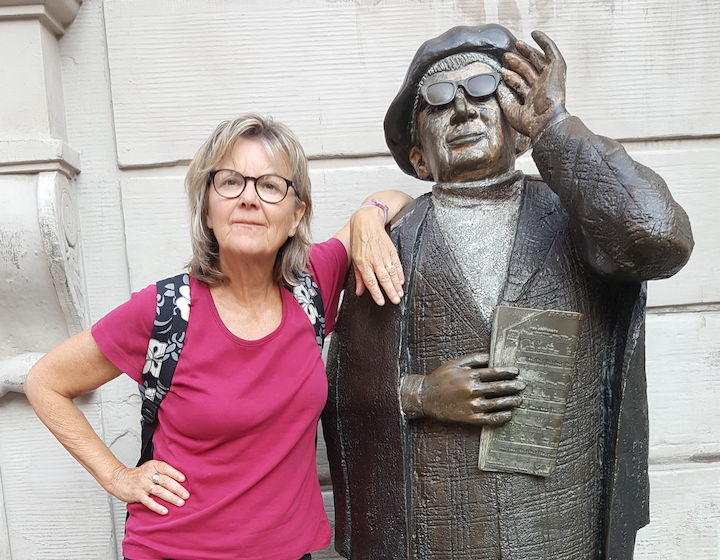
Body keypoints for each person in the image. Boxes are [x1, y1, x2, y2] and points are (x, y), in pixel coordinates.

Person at [323, 24, 693, 560]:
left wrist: (555, 126)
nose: (463, 109)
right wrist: (421, 394)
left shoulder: (580, 220)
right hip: (441, 526)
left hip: (562, 522)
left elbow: (659, 238)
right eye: (438, 99)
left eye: (482, 90)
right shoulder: (388, 246)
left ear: (520, 131)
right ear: (419, 157)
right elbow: (341, 394)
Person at [24, 114, 412, 560]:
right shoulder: (165, 310)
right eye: (230, 182)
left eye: (270, 185)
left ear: (295, 216)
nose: (249, 198)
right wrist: (116, 476)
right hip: (174, 551)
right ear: (207, 209)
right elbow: (45, 382)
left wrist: (367, 218)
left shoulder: (313, 284)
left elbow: (396, 197)